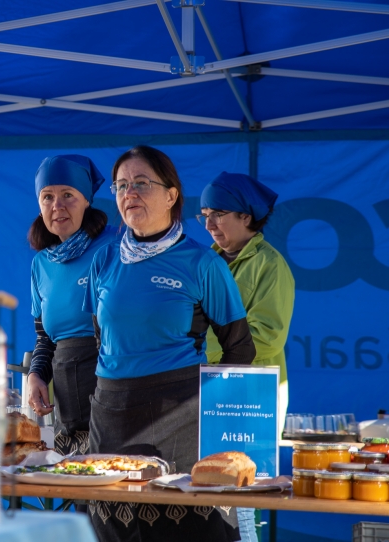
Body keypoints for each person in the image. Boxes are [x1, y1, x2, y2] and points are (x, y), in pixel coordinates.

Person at [83, 146, 255, 541]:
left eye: (142, 184)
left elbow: (239, 349)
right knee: (112, 526)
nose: (130, 193)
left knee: (187, 526)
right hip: (110, 413)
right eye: (122, 185)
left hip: (180, 415)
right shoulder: (103, 260)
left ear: (172, 195)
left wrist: (206, 412)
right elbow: (102, 338)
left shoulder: (202, 264)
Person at [199, 172, 295, 542]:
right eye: (204, 214)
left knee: (243, 493)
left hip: (251, 396)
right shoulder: (205, 261)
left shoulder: (270, 266)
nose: (208, 224)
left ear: (247, 217)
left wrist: (200, 353)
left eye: (218, 213)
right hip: (205, 390)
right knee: (205, 486)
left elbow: (267, 338)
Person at [25, 155, 114, 456]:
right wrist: (36, 374)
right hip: (66, 407)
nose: (57, 206)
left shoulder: (115, 247)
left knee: (110, 487)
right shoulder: (41, 265)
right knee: (73, 489)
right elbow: (45, 338)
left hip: (112, 395)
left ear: (87, 200)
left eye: (68, 196)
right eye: (47, 197)